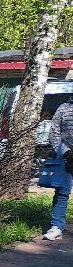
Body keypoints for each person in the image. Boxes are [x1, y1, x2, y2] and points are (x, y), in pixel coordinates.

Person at [43, 93, 73, 241]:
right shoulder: (64, 108)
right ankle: (56, 227)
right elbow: (54, 132)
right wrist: (65, 153)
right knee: (62, 192)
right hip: (66, 158)